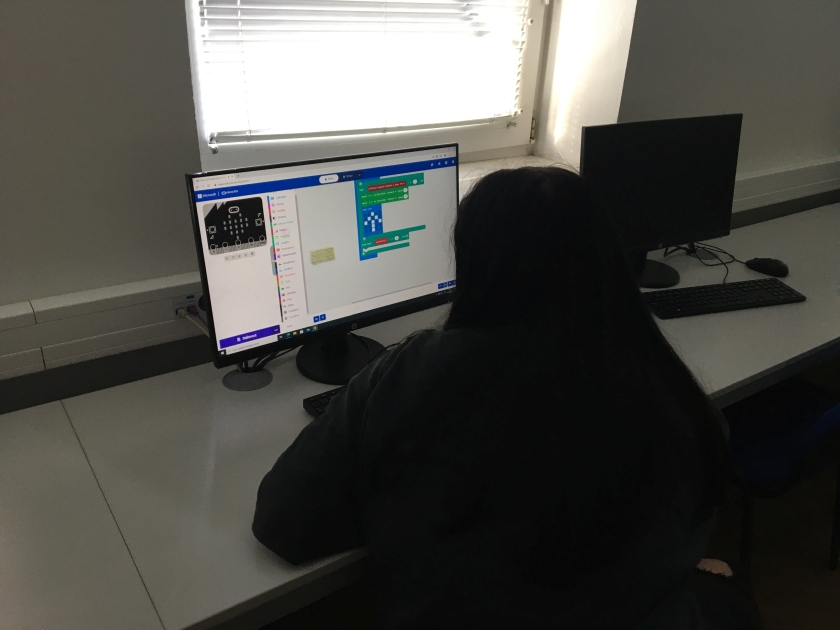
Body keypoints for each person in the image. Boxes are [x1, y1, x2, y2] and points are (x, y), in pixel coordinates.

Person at [252, 167, 764, 629]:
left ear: (475, 264)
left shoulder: (407, 373)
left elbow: (283, 523)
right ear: (604, 257)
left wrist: (386, 499)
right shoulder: (669, 391)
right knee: (723, 581)